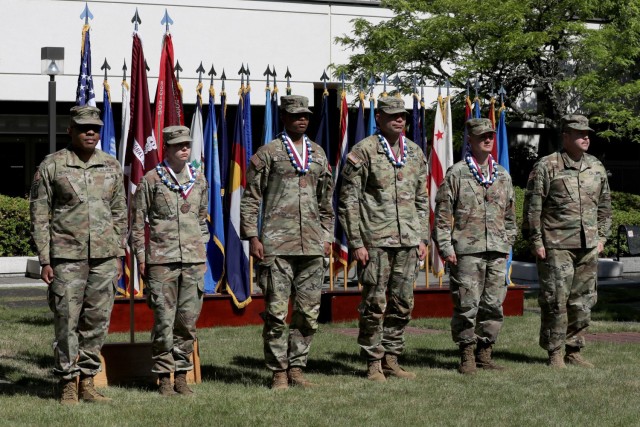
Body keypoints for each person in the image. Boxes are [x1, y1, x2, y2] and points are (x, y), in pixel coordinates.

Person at [29, 105, 127, 405]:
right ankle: (67, 383)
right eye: (83, 127)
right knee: (66, 321)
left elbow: (120, 212)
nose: (90, 132)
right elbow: (39, 215)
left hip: (104, 258)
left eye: (95, 128)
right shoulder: (53, 165)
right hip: (66, 258)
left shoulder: (111, 166)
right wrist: (45, 259)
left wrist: (118, 252)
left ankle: (87, 382)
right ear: (69, 129)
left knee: (96, 322)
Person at [240, 95, 334, 390]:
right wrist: (252, 236)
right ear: (283, 118)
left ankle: (297, 367)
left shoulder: (318, 154)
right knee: (277, 312)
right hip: (276, 245)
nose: (301, 120)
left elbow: (326, 202)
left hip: (312, 246)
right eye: (295, 115)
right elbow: (251, 198)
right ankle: (278, 370)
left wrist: (327, 236)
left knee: (308, 312)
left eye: (305, 115)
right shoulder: (268, 153)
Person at [338, 97, 428, 382]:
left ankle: (392, 358)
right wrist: (356, 242)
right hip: (375, 240)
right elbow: (348, 200)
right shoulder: (363, 151)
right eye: (392, 115)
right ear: (379, 118)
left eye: (402, 115)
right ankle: (373, 361)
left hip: (408, 241)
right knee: (374, 303)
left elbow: (422, 199)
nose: (399, 120)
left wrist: (422, 237)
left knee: (403, 303)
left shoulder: (414, 152)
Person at [523, 114, 611, 368]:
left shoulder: (596, 166)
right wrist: (536, 241)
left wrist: (602, 237)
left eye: (587, 134)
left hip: (588, 245)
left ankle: (574, 350)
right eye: (579, 133)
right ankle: (554, 352)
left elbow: (605, 206)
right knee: (555, 301)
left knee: (583, 301)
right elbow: (532, 208)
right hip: (556, 244)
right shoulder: (547, 165)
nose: (585, 137)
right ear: (565, 136)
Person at [432, 118, 516, 374]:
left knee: (493, 304)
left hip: (497, 250)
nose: (488, 140)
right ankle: (467, 354)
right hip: (466, 251)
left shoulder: (502, 174)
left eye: (490, 135)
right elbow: (443, 215)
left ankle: (485, 353)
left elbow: (510, 214)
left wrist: (508, 240)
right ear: (470, 140)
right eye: (482, 136)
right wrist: (446, 248)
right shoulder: (457, 173)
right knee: (467, 304)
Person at [132, 125, 209, 395]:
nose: (184, 149)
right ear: (167, 148)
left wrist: (203, 254)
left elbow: (202, 220)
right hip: (161, 262)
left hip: (193, 261)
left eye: (187, 144)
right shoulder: (151, 180)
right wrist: (142, 258)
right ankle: (164, 376)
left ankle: (182, 376)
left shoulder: (199, 179)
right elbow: (137, 222)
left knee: (187, 323)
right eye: (178, 145)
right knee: (164, 321)